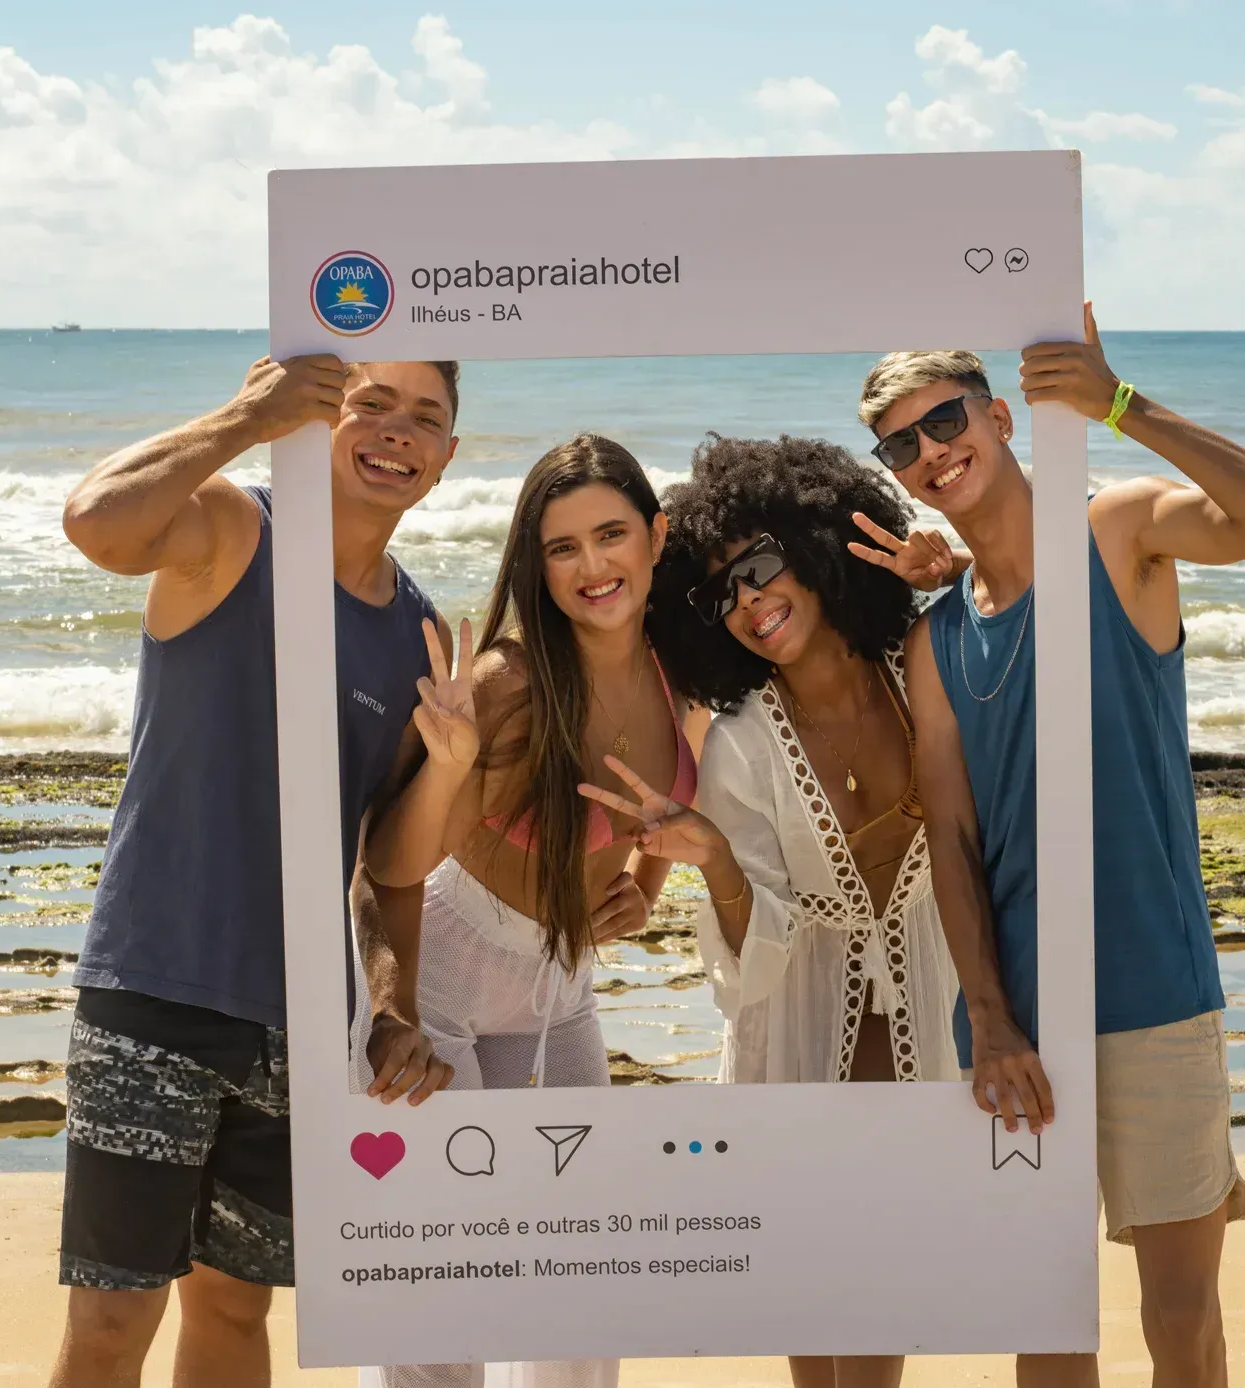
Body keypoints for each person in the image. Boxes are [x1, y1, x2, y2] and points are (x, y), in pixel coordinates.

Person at [856, 309, 1245, 1388]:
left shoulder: (1117, 531)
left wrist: (1117, 402)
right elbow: (952, 838)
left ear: (1001, 417)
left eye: (946, 420)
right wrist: (992, 1017)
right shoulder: (936, 637)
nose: (931, 452)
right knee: (1048, 1325)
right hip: (1017, 1024)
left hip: (1157, 987)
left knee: (1183, 1320)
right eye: (900, 445)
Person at [53, 355, 459, 1388]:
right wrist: (246, 416)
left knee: (236, 1311)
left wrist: (393, 1005)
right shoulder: (233, 529)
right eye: (372, 403)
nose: (396, 431)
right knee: (111, 1321)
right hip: (157, 988)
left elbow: (385, 859)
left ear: (448, 456)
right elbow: (95, 521)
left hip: (303, 1025)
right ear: (321, 415)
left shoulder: (422, 635)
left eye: (425, 417)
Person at [599, 433, 959, 1388]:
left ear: (815, 545)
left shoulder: (926, 669)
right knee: (812, 1277)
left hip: (933, 1011)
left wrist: (958, 574)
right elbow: (756, 952)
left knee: (886, 1272)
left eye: (758, 567)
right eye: (720, 594)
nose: (748, 602)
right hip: (792, 1029)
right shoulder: (743, 744)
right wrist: (713, 858)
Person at [361, 434, 691, 1388]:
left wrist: (643, 887)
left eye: (611, 534)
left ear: (657, 536)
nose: (593, 566)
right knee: (448, 1275)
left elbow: (673, 797)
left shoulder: (680, 665)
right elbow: (391, 864)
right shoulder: (507, 685)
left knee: (582, 1269)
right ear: (535, 566)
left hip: (562, 984)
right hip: (447, 967)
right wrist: (452, 767)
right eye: (562, 548)